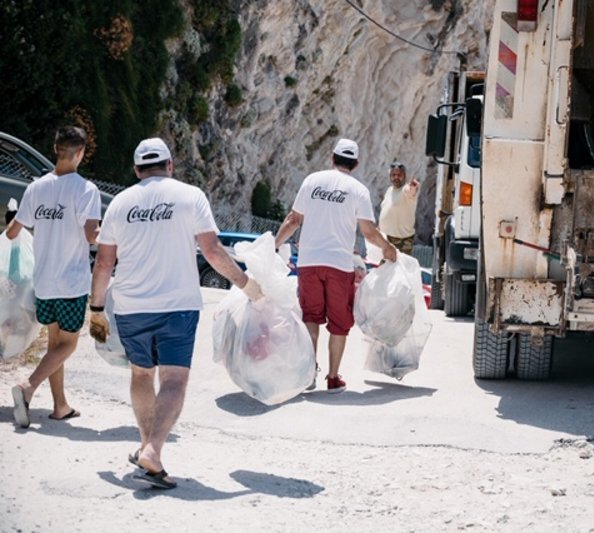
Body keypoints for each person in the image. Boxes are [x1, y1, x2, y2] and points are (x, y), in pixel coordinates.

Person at [89, 137, 264, 490]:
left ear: (137, 170)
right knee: (173, 379)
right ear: (170, 165)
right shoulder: (190, 195)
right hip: (177, 307)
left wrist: (95, 309)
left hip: (130, 306)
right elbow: (212, 252)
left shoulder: (120, 203)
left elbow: (105, 262)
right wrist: (245, 284)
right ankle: (152, 450)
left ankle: (145, 448)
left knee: (141, 374)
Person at [275, 138, 397, 393]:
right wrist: (387, 248)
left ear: (332, 158)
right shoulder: (358, 190)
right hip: (339, 266)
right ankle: (332, 378)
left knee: (311, 317)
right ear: (356, 163)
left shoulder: (312, 181)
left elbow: (294, 219)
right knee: (339, 323)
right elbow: (369, 232)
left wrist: (274, 244)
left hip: (308, 262)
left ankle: (307, 376)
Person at [6, 126, 101, 428]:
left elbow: (11, 232)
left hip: (43, 283)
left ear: (56, 150)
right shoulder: (86, 190)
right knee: (68, 346)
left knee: (54, 346)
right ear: (80, 153)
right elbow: (91, 236)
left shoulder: (36, 188)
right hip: (71, 283)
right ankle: (27, 386)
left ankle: (60, 406)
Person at [378, 161, 419, 256]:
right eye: (393, 175)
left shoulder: (405, 189)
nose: (396, 177)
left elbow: (411, 192)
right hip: (385, 239)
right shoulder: (389, 190)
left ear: (404, 176)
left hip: (402, 242)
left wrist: (413, 187)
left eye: (399, 175)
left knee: (402, 269)